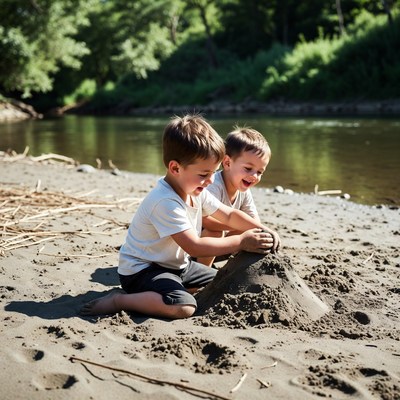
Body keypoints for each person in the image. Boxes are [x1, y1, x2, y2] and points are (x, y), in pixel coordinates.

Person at [80, 115, 280, 320]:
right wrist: (241, 241)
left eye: (214, 172)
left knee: (225, 281)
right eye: (204, 174)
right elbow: (194, 247)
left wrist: (263, 229)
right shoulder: (165, 201)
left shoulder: (197, 190)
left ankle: (174, 288)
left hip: (178, 266)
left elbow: (228, 215)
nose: (211, 180)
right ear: (175, 168)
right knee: (184, 307)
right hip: (143, 270)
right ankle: (120, 300)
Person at [197, 126, 278, 267]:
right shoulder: (214, 184)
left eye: (260, 172)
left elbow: (254, 221)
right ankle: (202, 273)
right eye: (248, 169)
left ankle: (238, 269)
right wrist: (234, 224)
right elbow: (206, 221)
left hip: (221, 247)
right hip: (196, 247)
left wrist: (264, 232)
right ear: (227, 162)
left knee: (252, 231)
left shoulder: (244, 191)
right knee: (214, 232)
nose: (254, 176)